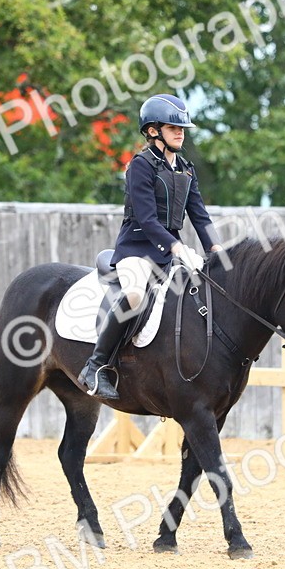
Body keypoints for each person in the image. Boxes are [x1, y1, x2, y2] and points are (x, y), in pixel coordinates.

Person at [77, 93, 222, 399]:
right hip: (137, 249)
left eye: (182, 129)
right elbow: (146, 218)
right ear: (153, 131)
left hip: (170, 252)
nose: (180, 133)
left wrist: (215, 249)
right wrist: (176, 247)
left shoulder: (186, 169)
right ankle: (95, 366)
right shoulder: (140, 166)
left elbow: (199, 214)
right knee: (134, 295)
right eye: (173, 128)